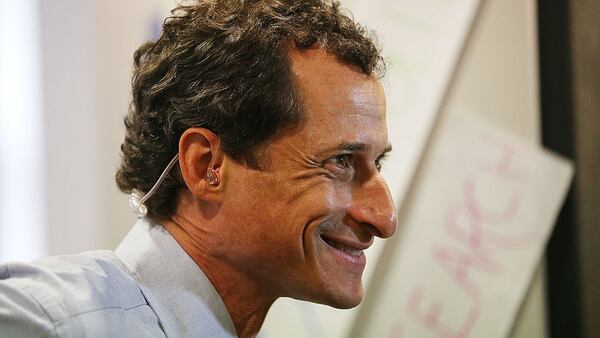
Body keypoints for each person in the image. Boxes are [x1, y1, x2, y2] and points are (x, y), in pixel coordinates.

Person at [0, 0, 397, 337]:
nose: (384, 218)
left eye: (376, 163)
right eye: (341, 162)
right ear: (206, 166)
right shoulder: (46, 322)